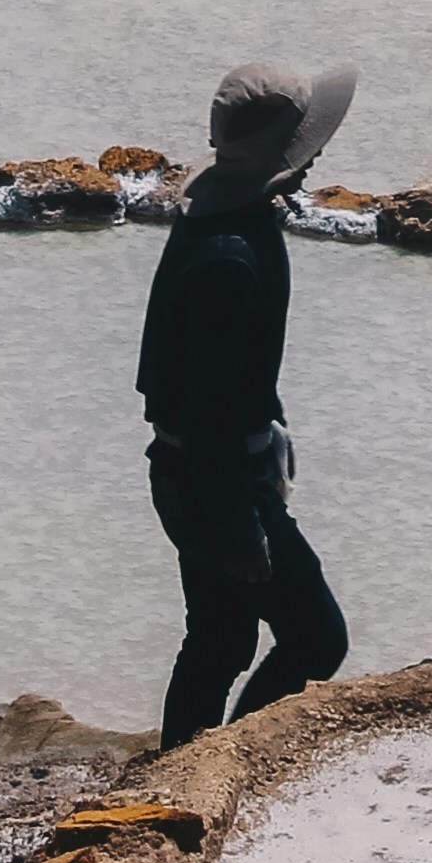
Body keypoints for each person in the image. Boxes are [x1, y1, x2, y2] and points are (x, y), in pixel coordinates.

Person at [138, 56, 356, 747]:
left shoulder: (231, 222)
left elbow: (222, 383)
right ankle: (235, 757)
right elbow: (207, 413)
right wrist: (239, 528)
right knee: (316, 638)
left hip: (193, 473)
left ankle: (182, 770)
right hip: (215, 481)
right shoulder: (229, 258)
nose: (317, 156)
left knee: (221, 640)